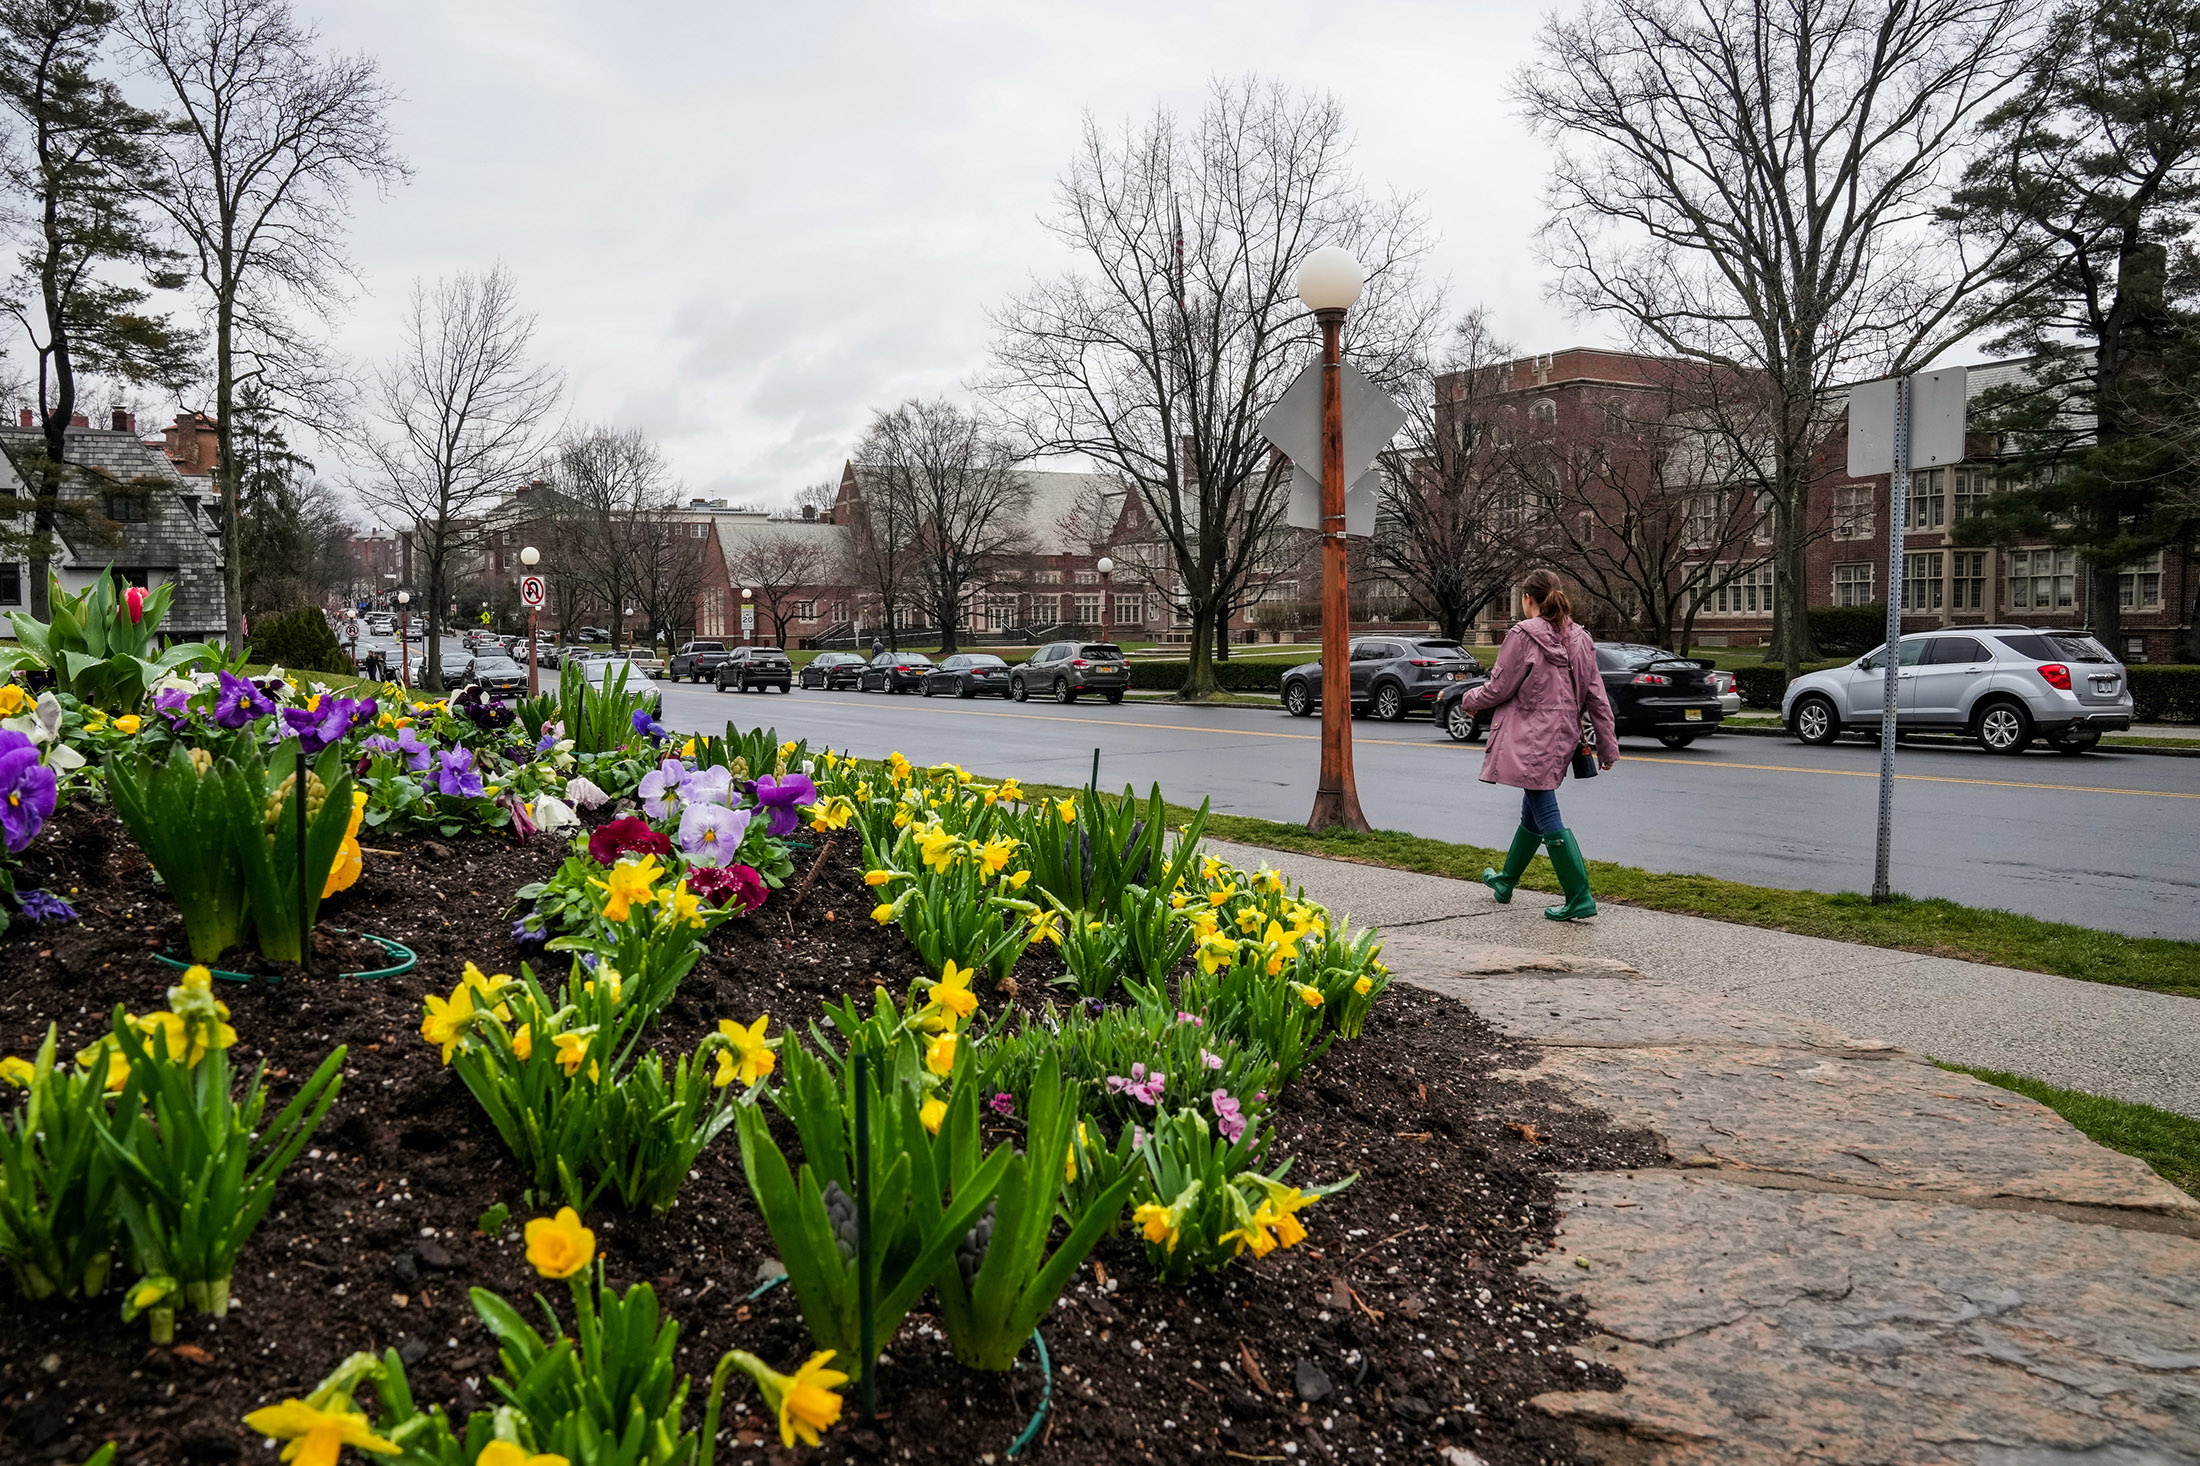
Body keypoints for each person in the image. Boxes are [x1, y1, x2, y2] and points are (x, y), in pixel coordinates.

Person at [1452, 568, 1618, 921]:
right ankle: (1506, 880)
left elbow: (1499, 688)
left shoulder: (1522, 635)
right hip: (1563, 736)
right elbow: (1596, 697)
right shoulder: (1581, 638)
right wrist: (1607, 746)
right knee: (1532, 806)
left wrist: (1468, 699)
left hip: (1530, 737)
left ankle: (1579, 895)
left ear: (1528, 599)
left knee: (1545, 809)